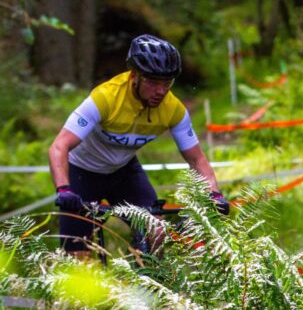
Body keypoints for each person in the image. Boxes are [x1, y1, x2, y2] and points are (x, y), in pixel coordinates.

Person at [48, 34, 229, 254]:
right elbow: (59, 147)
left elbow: (197, 159)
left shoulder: (173, 109)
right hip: (82, 173)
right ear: (134, 75)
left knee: (157, 232)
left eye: (167, 83)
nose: (161, 91)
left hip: (123, 173)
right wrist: (64, 189)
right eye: (153, 82)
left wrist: (214, 194)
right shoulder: (105, 98)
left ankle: (148, 284)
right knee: (78, 257)